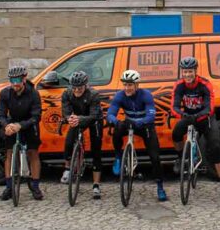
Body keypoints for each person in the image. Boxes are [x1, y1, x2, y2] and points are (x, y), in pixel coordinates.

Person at [171, 57, 220, 202]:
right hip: (188, 116)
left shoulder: (204, 84)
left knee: (215, 147)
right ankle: (180, 159)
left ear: (195, 71)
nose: (187, 75)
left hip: (205, 118)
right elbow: (174, 106)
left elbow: (210, 106)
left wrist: (201, 115)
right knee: (176, 133)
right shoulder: (179, 85)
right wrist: (182, 114)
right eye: (185, 72)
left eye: (190, 71)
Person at [106, 69, 166, 202]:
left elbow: (151, 116)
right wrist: (116, 121)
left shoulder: (146, 95)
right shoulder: (120, 96)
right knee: (117, 130)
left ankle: (160, 186)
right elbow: (110, 114)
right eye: (125, 85)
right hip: (129, 123)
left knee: (155, 157)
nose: (127, 88)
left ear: (137, 85)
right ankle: (118, 157)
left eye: (130, 85)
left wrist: (139, 122)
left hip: (145, 126)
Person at [0, 65, 43, 201]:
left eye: (18, 80)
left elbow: (36, 116)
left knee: (33, 152)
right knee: (9, 153)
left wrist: (21, 126)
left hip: (28, 122)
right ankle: (9, 186)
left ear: (24, 79)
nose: (15, 84)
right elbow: (0, 114)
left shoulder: (33, 93)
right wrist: (7, 126)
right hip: (12, 123)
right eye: (12, 81)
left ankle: (35, 185)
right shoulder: (5, 93)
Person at [61, 71, 105, 199]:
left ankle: (96, 185)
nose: (76, 91)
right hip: (77, 118)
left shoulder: (93, 94)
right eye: (74, 88)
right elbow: (66, 111)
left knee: (96, 150)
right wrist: (70, 118)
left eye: (79, 88)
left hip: (94, 119)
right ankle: (68, 168)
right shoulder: (67, 93)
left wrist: (78, 119)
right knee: (69, 141)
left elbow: (93, 116)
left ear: (86, 85)